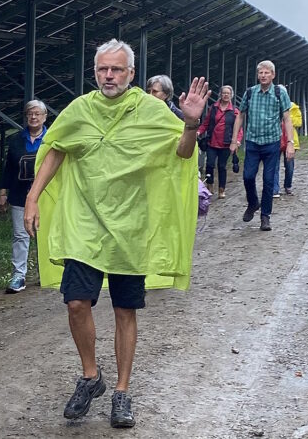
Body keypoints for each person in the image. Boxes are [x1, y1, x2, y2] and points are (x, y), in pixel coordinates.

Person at [24, 39, 208, 429]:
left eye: (116, 70)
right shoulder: (80, 110)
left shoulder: (150, 110)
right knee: (76, 303)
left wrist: (190, 123)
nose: (108, 76)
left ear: (131, 74)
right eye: (102, 70)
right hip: (84, 225)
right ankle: (91, 377)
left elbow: (183, 154)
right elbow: (56, 148)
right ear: (95, 73)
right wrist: (33, 197)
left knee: (125, 310)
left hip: (130, 227)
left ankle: (122, 391)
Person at [230, 60, 295, 232]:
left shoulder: (280, 93)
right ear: (258, 75)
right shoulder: (250, 93)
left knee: (268, 180)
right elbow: (240, 116)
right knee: (248, 177)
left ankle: (265, 216)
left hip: (272, 143)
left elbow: (287, 119)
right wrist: (234, 140)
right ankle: (253, 203)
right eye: (261, 73)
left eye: (267, 73)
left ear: (273, 75)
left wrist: (290, 142)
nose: (263, 76)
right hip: (252, 142)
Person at [0, 99, 48, 294]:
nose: (33, 117)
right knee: (20, 235)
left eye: (37, 114)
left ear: (45, 117)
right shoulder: (17, 139)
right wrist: (3, 191)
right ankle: (19, 275)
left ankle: (49, 271)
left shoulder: (52, 138)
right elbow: (9, 168)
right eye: (30, 114)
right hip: (20, 195)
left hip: (46, 195)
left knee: (46, 234)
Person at [196, 85, 242, 199]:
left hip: (226, 144)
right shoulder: (213, 108)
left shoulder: (235, 111)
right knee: (210, 164)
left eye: (228, 93)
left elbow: (239, 129)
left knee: (222, 166)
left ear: (231, 95)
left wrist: (237, 141)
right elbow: (206, 123)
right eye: (224, 93)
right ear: (220, 94)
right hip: (212, 142)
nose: (226, 95)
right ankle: (209, 186)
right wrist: (198, 132)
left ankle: (222, 190)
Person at [273, 95, 303, 197]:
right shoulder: (272, 105)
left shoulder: (294, 107)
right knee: (274, 166)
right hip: (275, 139)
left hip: (290, 140)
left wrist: (287, 119)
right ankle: (275, 189)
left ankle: (288, 185)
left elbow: (299, 122)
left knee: (289, 166)